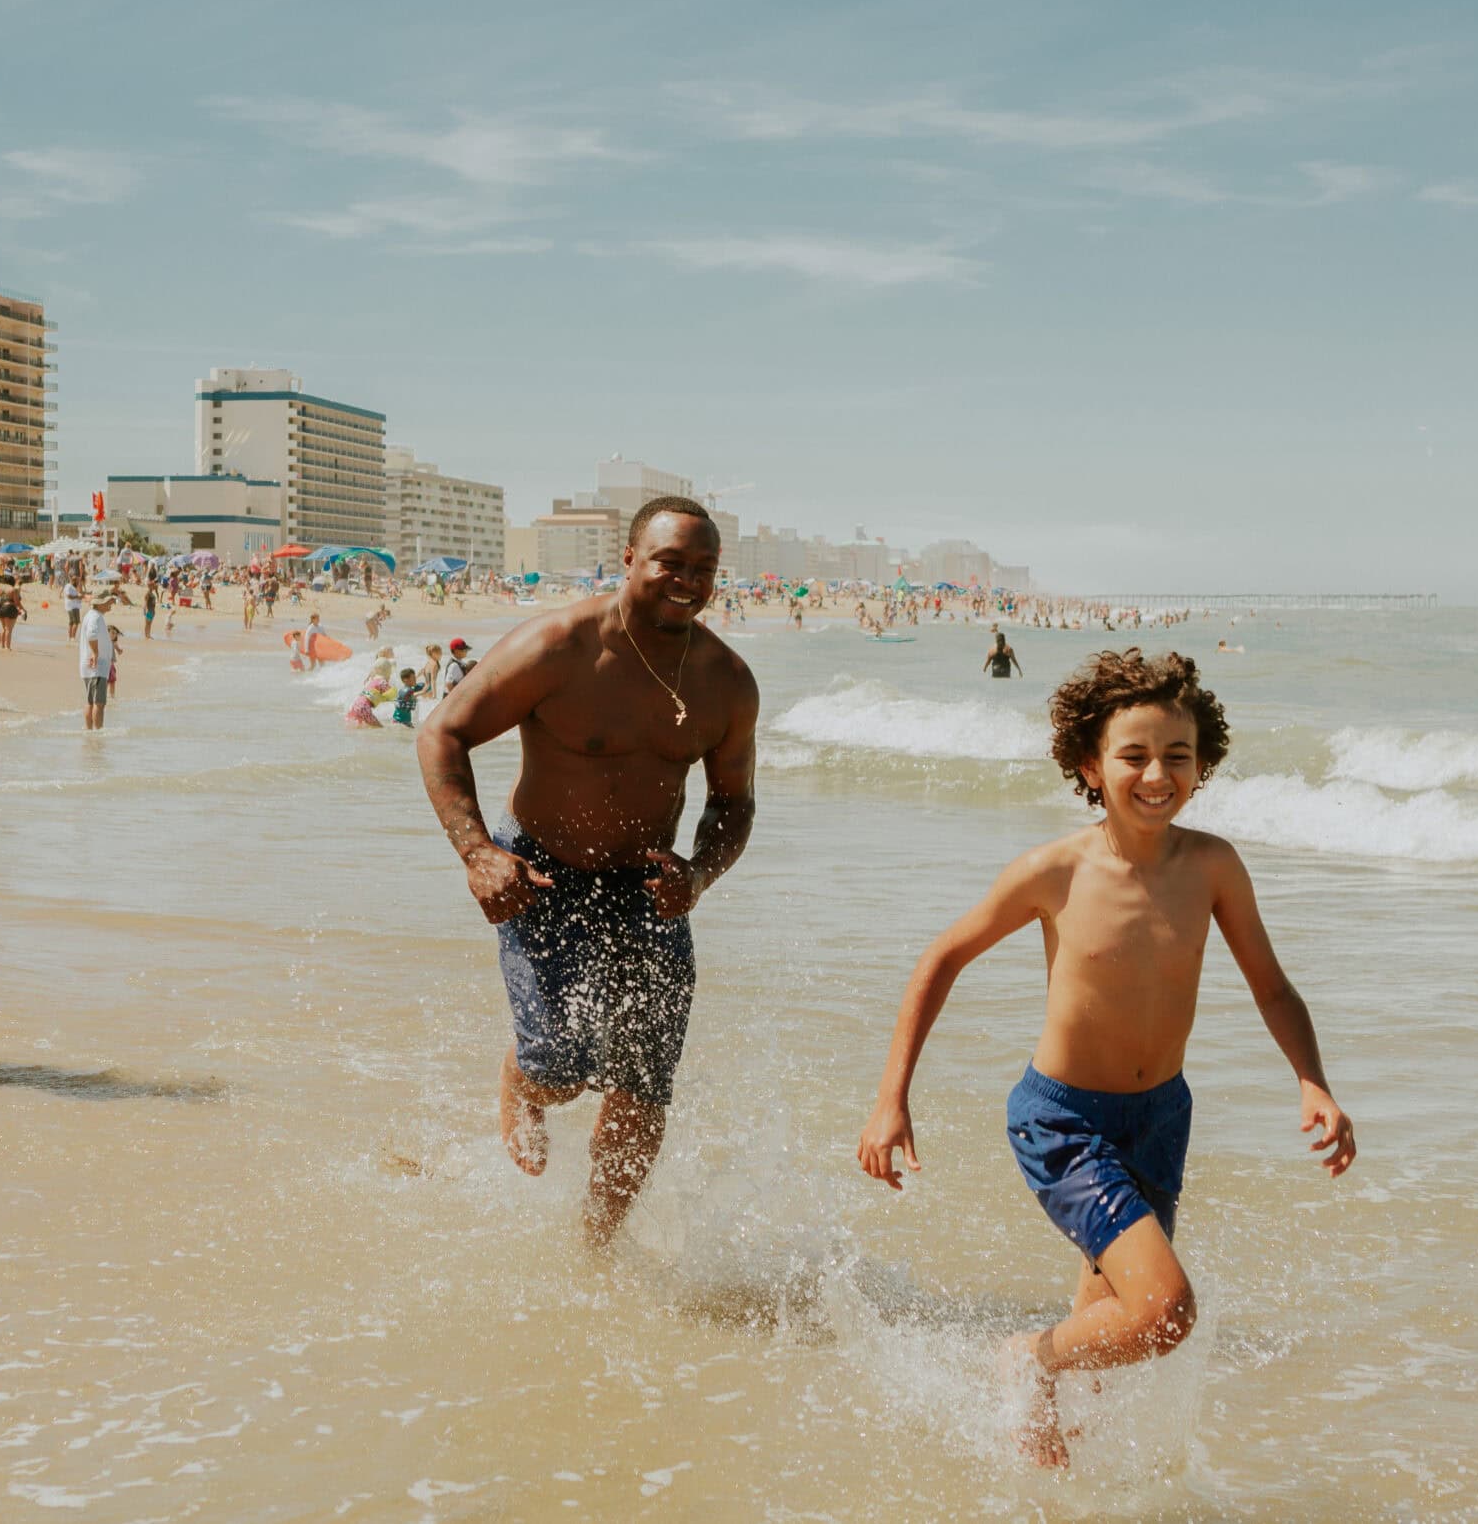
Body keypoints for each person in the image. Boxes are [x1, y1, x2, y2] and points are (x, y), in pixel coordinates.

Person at [856, 649, 1353, 1465]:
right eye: (1133, 755)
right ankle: (1024, 1360)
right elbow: (941, 957)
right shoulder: (1057, 870)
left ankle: (1051, 1465)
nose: (1157, 773)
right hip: (1063, 1120)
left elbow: (1272, 987)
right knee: (1164, 1310)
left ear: (1203, 763)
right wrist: (890, 1099)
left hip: (1161, 1116)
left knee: (1110, 1318)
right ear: (1090, 764)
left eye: (1177, 755)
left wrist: (1313, 1082)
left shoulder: (1214, 866)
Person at [417, 497, 759, 1246]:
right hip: (540, 873)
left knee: (643, 1086)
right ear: (630, 559)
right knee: (564, 1067)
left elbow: (733, 804)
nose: (688, 580)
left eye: (704, 568)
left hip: (648, 891)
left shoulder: (726, 682)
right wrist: (479, 853)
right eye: (671, 561)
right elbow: (442, 731)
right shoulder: (560, 647)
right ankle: (523, 1077)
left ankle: (594, 1246)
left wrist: (698, 875)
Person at [79, 593, 116, 731]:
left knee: (90, 701)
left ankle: (89, 730)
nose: (110, 604)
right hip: (97, 666)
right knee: (98, 703)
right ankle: (97, 732)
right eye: (108, 601)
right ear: (100, 603)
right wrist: (95, 653)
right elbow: (91, 634)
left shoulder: (92, 615)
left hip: (91, 666)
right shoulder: (95, 616)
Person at [0, 577, 22, 651]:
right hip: (10, 609)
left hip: (0, 609)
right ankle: (7, 647)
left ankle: (1, 646)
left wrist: (0, 602)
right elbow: (16, 602)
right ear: (13, 582)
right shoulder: (13, 589)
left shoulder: (0, 588)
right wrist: (22, 609)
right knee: (8, 629)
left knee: (3, 628)